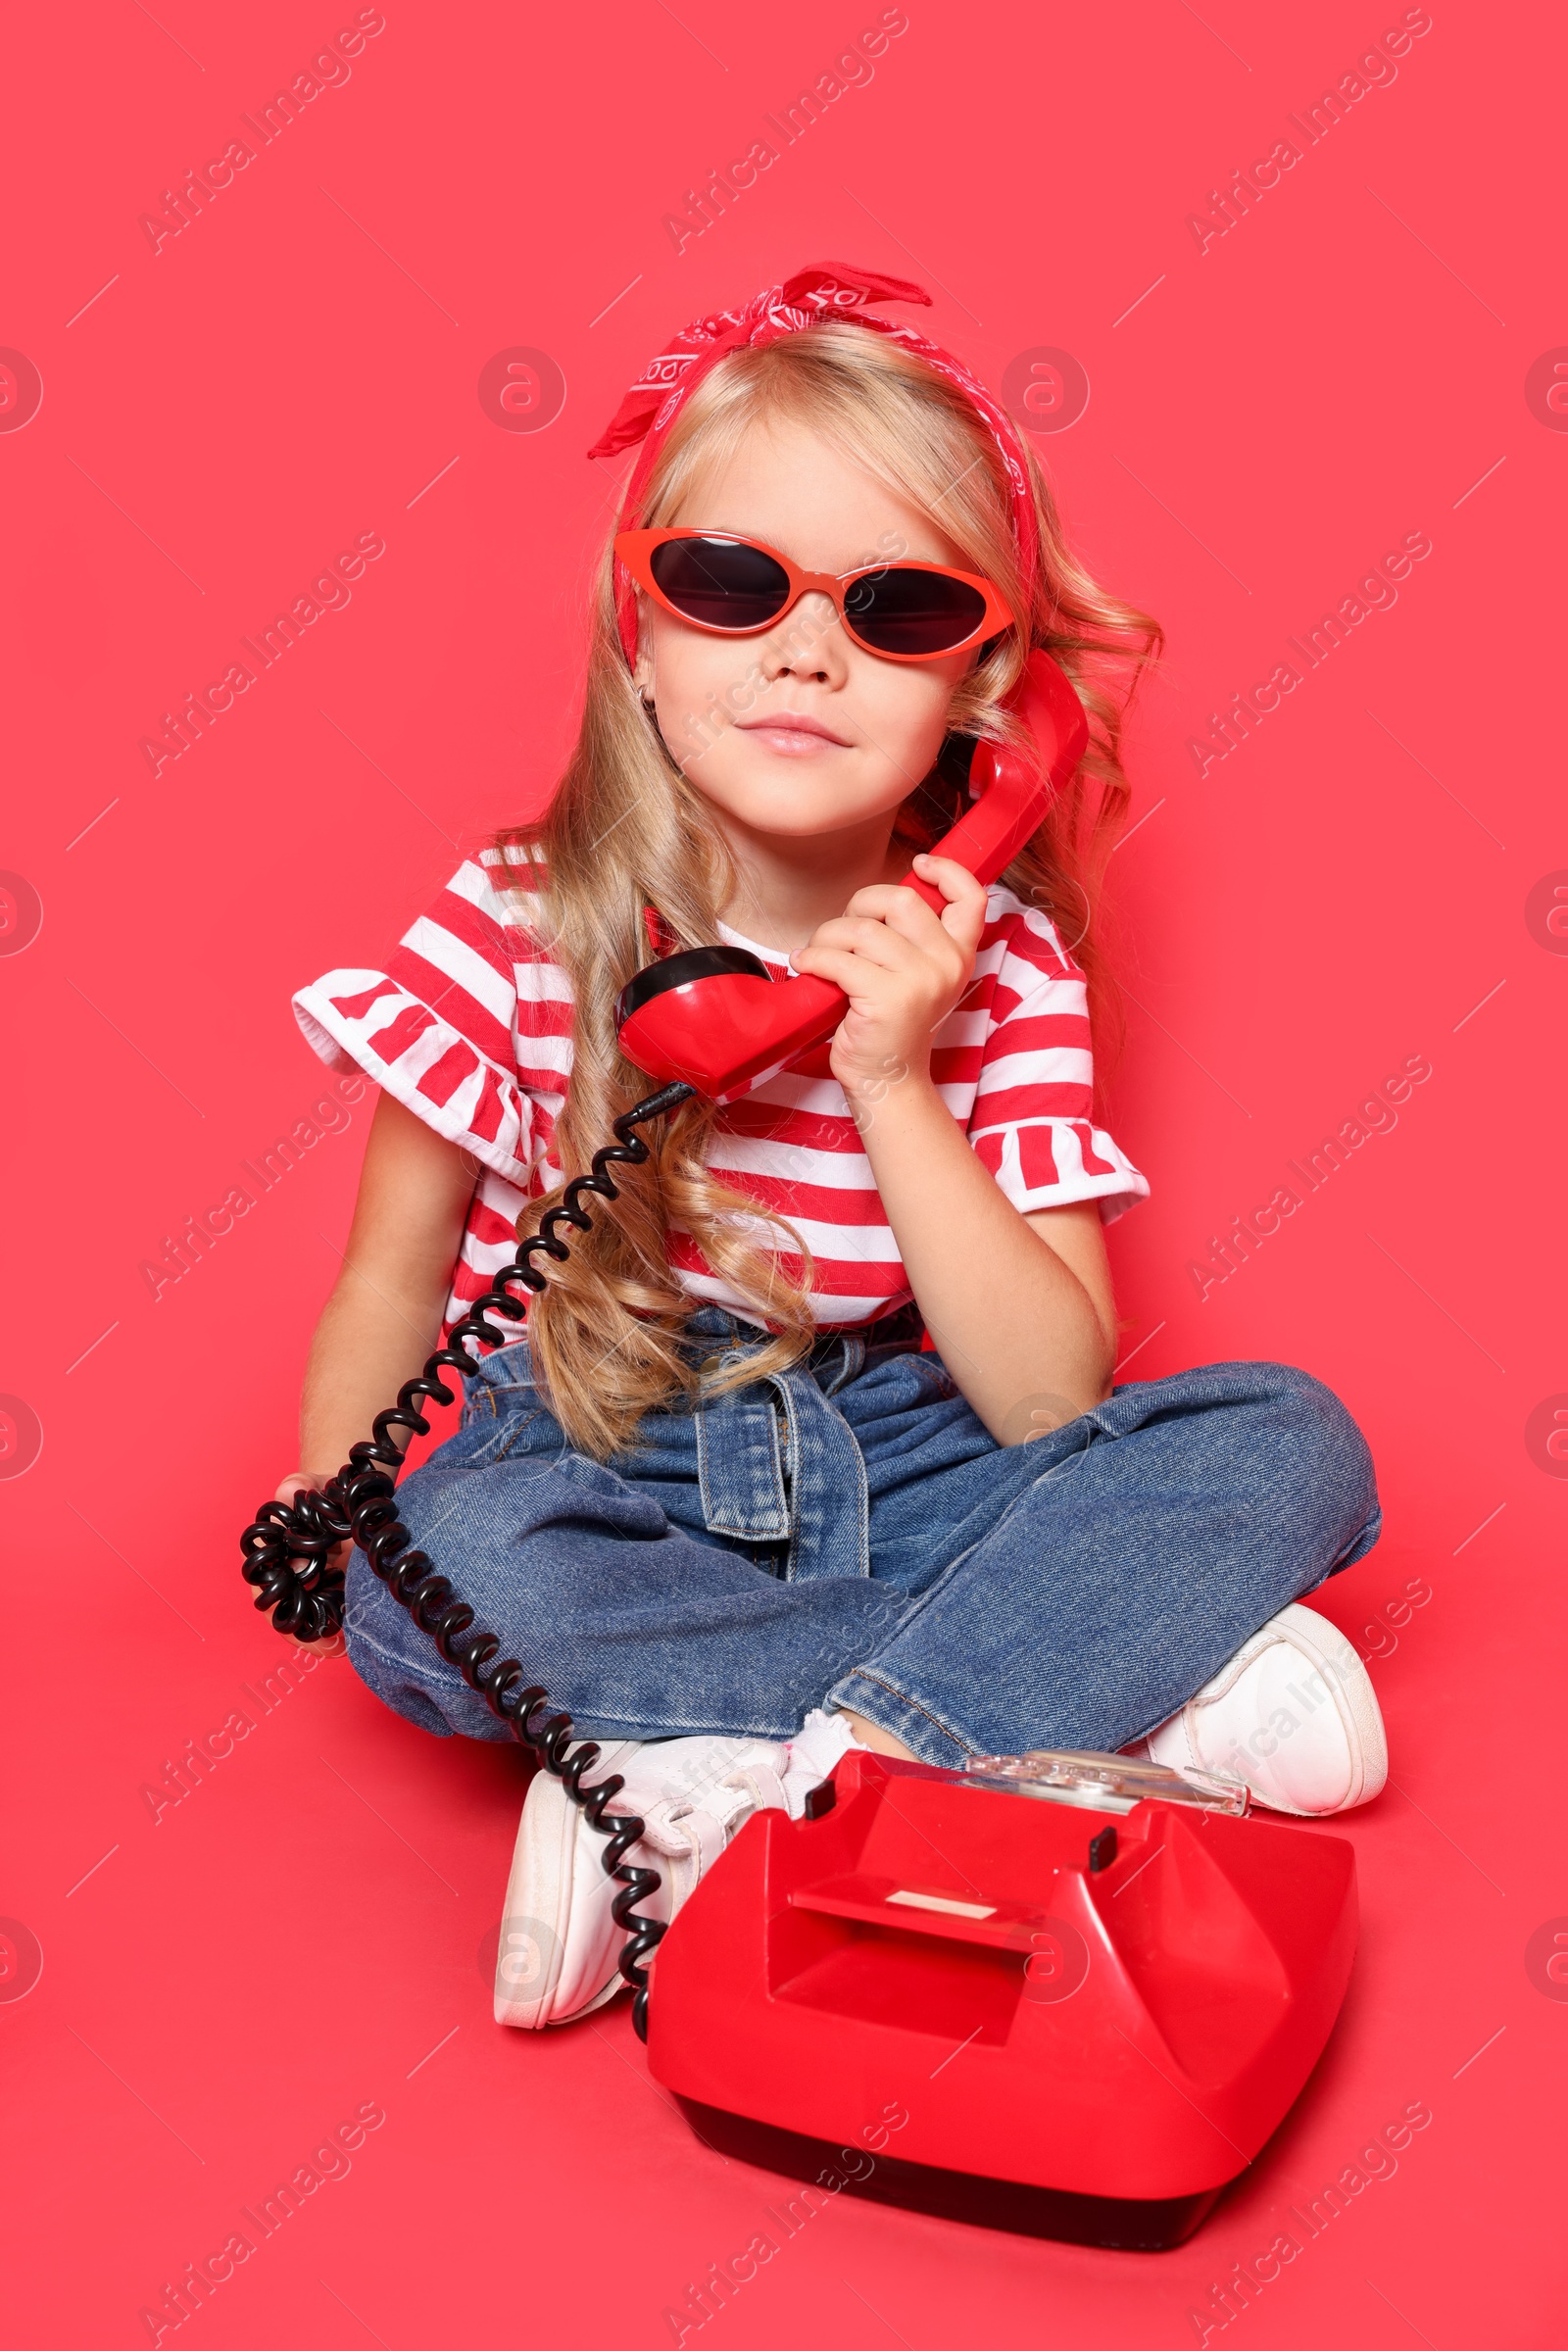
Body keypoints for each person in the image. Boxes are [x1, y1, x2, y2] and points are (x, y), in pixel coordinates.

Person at [282, 265, 1386, 2030]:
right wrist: (331, 1483)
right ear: (637, 634)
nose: (804, 650)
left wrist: (892, 1074)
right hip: (598, 1447)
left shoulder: (1000, 966)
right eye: (729, 586)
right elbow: (388, 1278)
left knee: (1289, 1441)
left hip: (912, 1455)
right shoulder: (513, 921)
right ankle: (1096, 1680)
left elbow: (1046, 1402)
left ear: (983, 695)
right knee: (427, 1591)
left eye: (896, 606)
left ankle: (740, 1787)